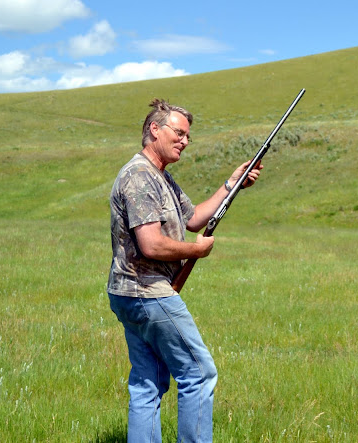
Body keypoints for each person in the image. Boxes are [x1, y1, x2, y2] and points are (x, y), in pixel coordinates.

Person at [108, 98, 262, 443]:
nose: (185, 141)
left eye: (188, 136)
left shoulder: (160, 176)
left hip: (130, 293)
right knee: (199, 373)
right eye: (179, 133)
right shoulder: (139, 177)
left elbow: (193, 219)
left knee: (148, 382)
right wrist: (197, 250)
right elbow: (151, 245)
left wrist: (232, 183)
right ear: (155, 129)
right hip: (148, 292)